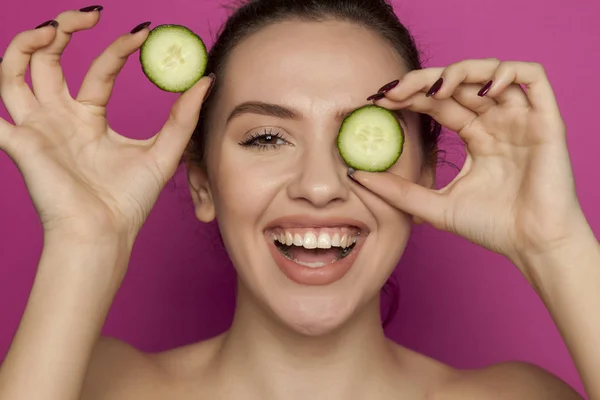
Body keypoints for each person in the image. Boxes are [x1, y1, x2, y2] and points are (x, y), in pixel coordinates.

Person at [0, 0, 597, 398]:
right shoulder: (92, 383)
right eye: (266, 137)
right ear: (202, 182)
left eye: (360, 137)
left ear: (423, 175)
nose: (318, 186)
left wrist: (553, 243)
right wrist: (85, 240)